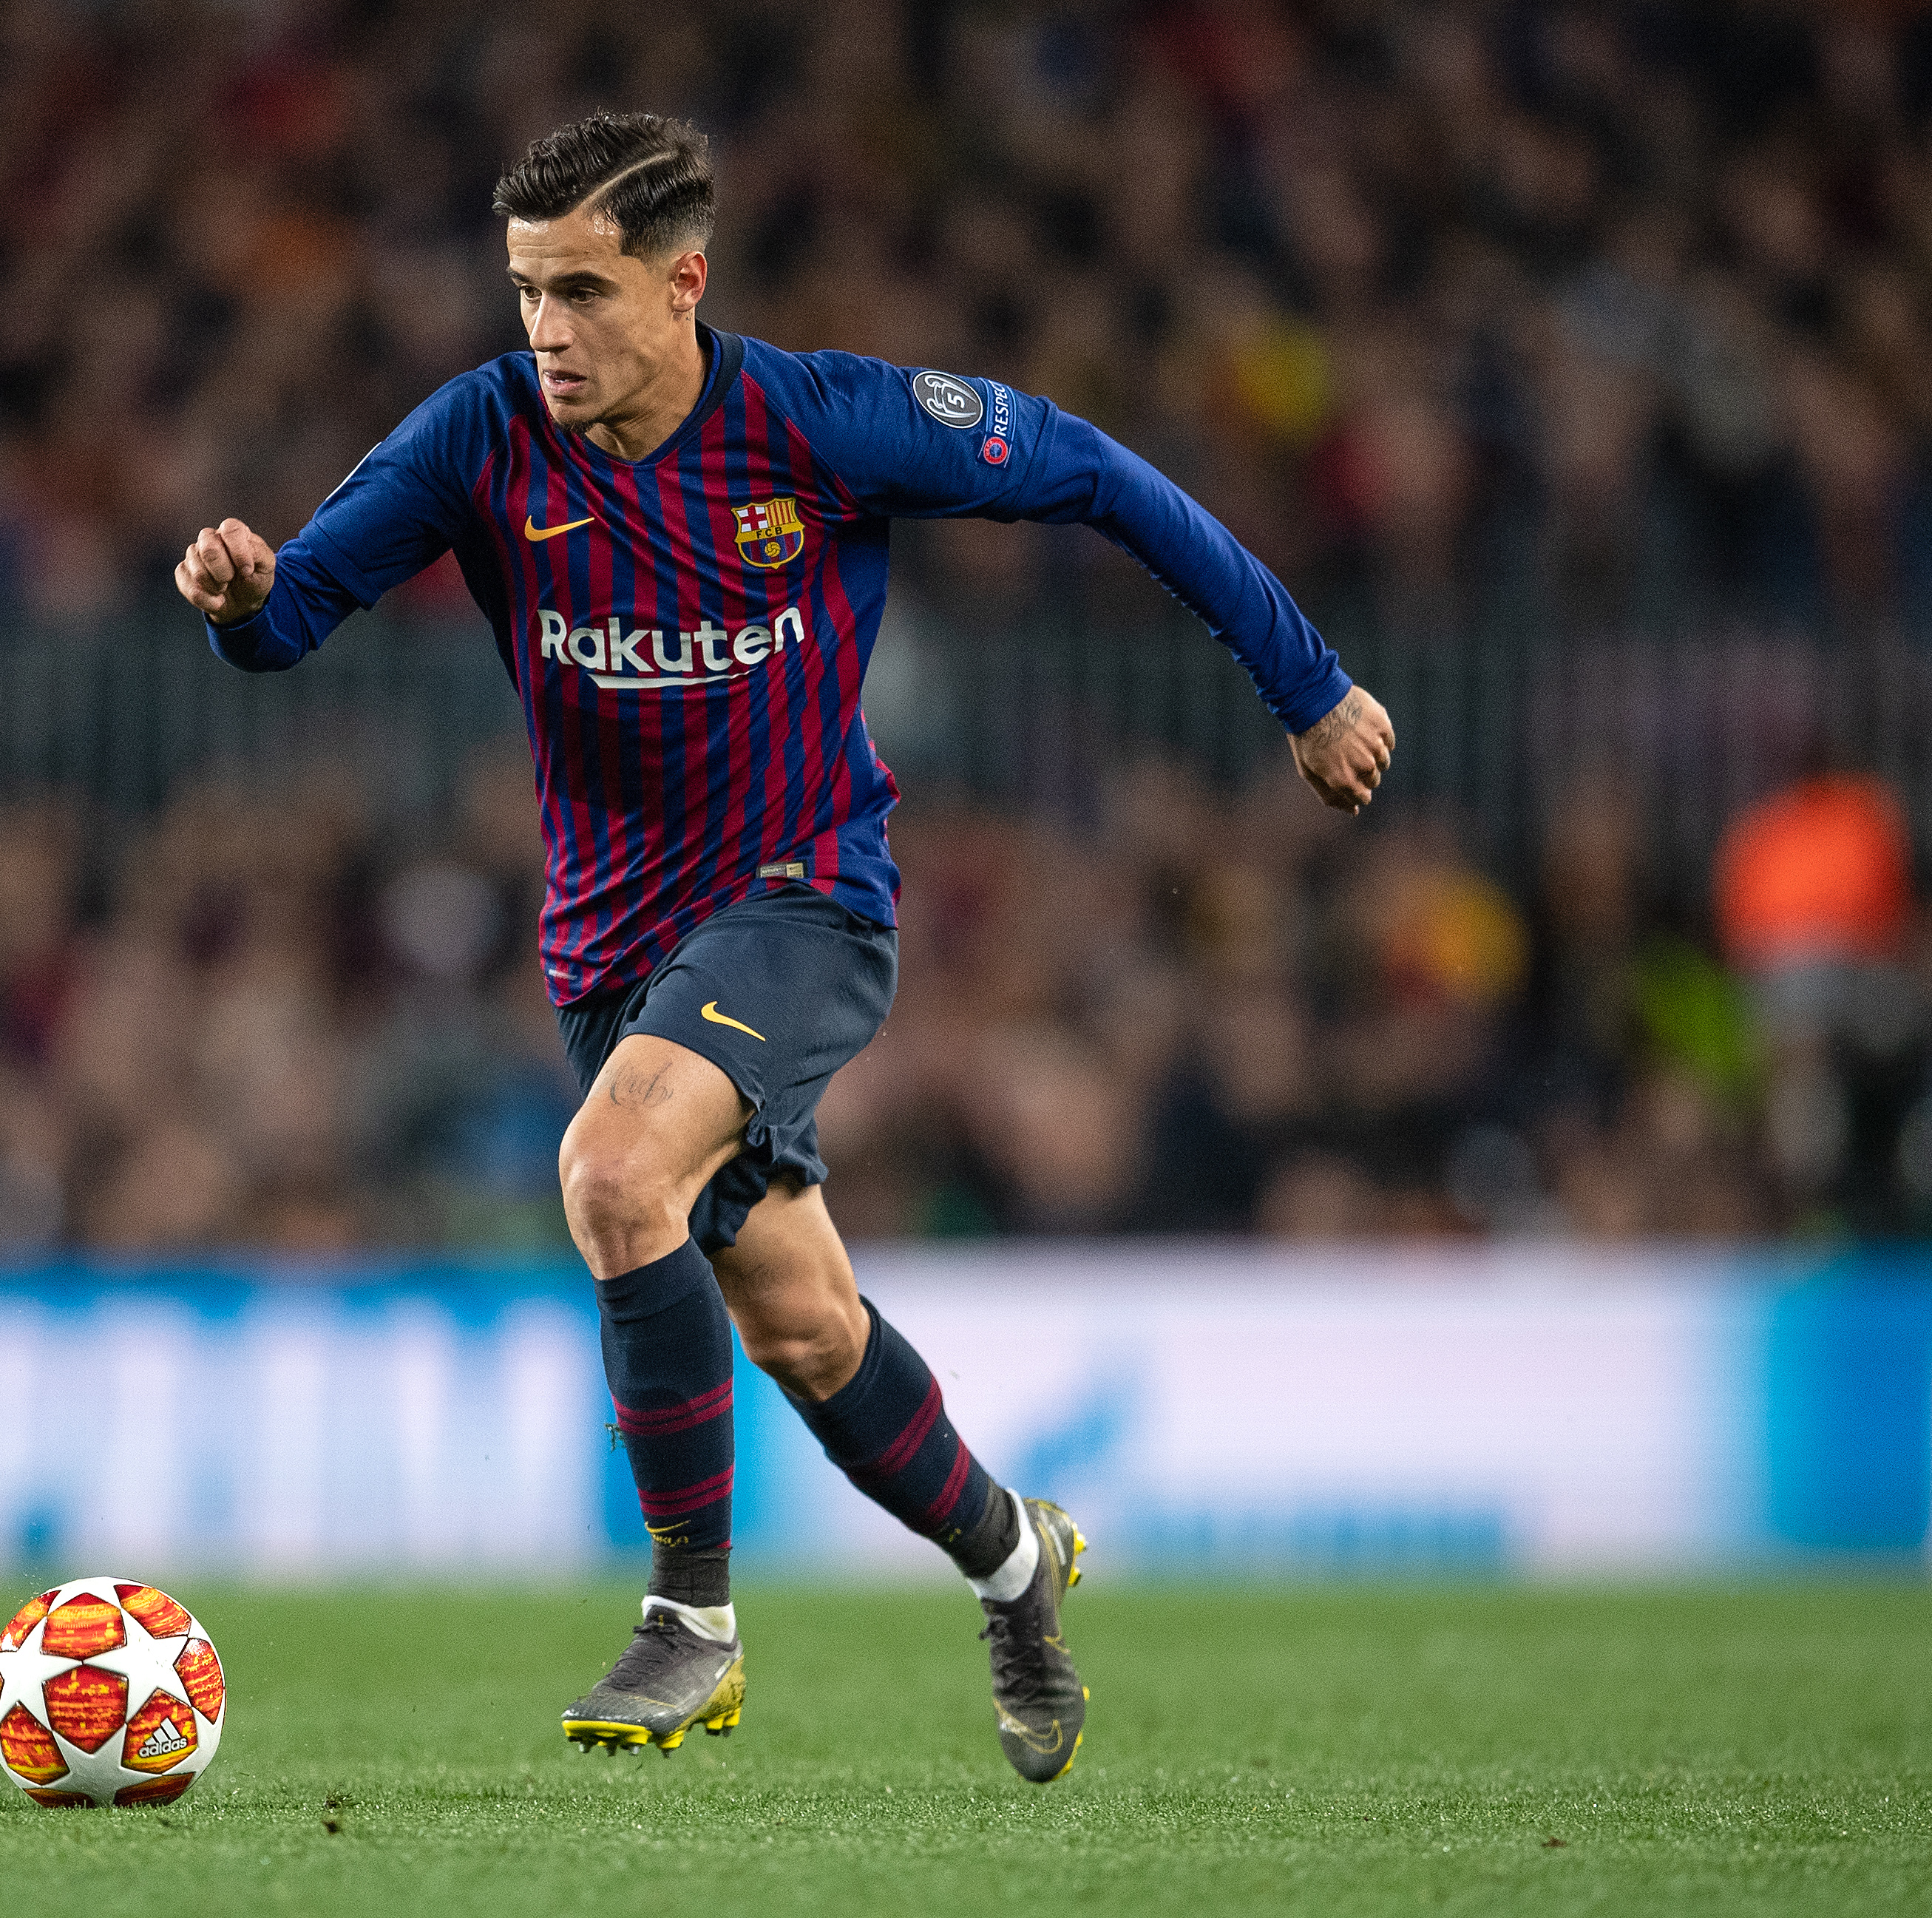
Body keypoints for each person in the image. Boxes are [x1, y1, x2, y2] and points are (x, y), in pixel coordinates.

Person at [175, 112, 1393, 1782]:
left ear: (683, 286)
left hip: (804, 900)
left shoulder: (821, 423)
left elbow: (1100, 477)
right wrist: (244, 595)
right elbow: (293, 619)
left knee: (610, 1178)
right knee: (807, 1331)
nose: (548, 330)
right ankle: (1020, 1563)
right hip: (613, 954)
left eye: (585, 291)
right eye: (528, 291)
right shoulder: (477, 440)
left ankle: (692, 1622)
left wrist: (1308, 683)